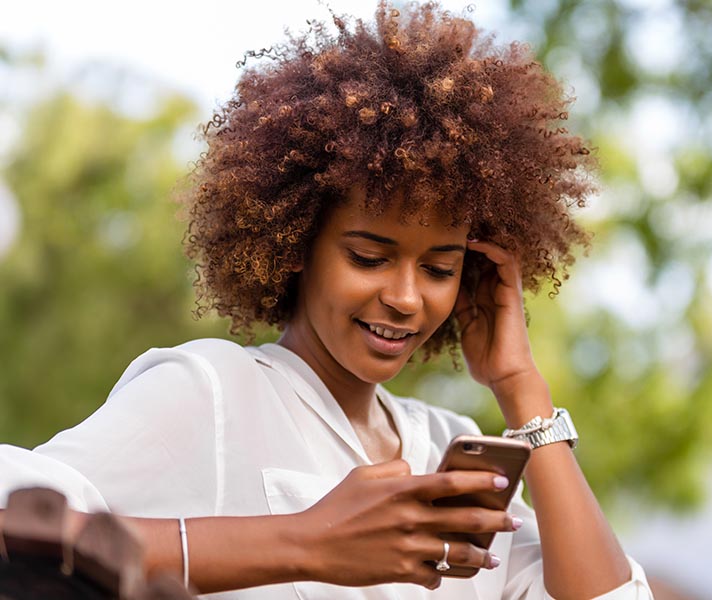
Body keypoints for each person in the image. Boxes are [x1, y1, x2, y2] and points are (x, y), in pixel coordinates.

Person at [0, 3, 653, 599]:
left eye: (439, 268)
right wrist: (307, 542)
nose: (404, 297)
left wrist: (522, 390)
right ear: (296, 244)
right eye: (368, 257)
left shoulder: (449, 448)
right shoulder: (214, 392)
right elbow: (15, 526)